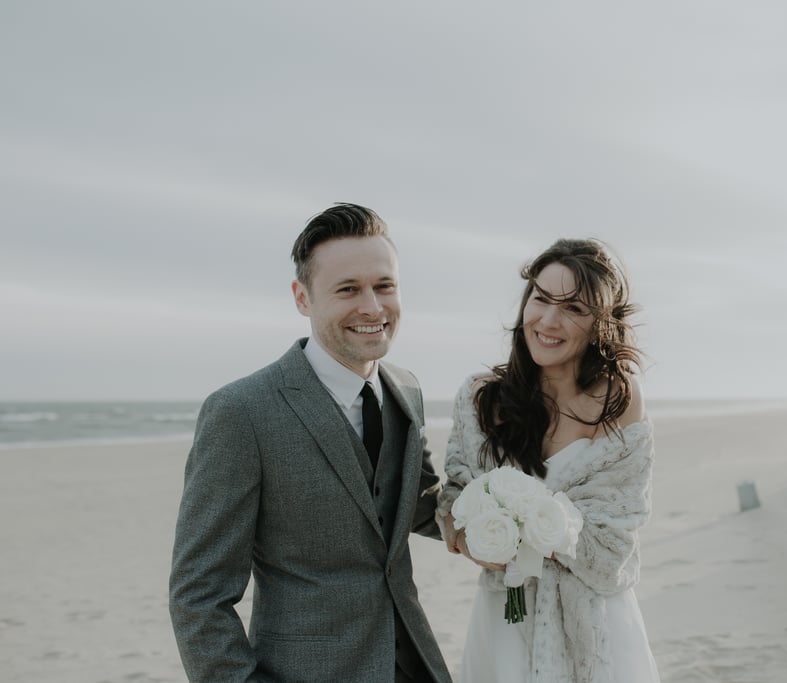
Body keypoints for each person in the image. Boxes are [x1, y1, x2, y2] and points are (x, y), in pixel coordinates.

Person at [169, 203, 452, 683]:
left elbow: (414, 504)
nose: (372, 307)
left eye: (384, 286)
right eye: (348, 289)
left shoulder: (407, 390)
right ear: (302, 298)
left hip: (415, 665)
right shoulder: (241, 412)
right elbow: (198, 597)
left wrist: (505, 515)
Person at [438, 238, 661, 682]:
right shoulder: (480, 398)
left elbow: (615, 537)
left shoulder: (616, 400)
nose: (548, 321)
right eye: (541, 299)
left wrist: (543, 525)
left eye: (574, 308)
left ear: (600, 323)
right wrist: (476, 538)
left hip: (594, 619)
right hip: (505, 613)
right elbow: (453, 499)